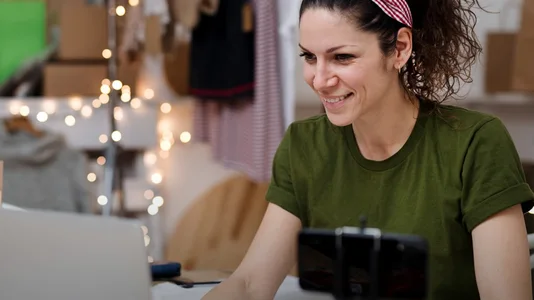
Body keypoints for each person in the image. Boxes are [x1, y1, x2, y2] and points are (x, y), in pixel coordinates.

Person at [202, 0, 534, 299]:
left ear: (400, 49)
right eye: (309, 57)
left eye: (341, 57)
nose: (319, 80)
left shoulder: (476, 142)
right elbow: (250, 284)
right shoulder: (304, 146)